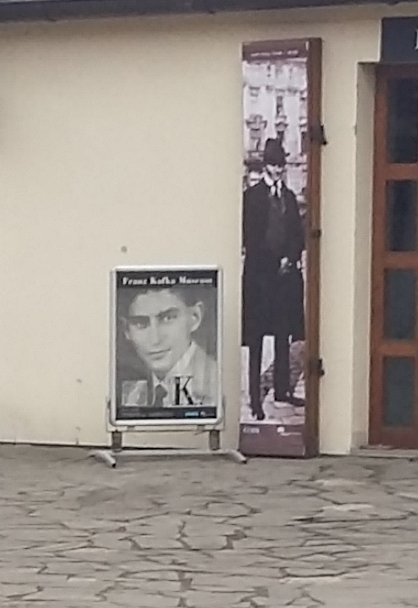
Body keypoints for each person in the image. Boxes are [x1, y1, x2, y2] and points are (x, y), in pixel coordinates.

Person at [239, 148, 309, 423]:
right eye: (274, 166)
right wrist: (271, 261)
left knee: (283, 335)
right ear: (266, 166)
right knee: (256, 340)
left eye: (281, 166)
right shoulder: (252, 197)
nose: (278, 170)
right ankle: (255, 399)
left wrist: (289, 258)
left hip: (283, 280)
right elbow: (251, 237)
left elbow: (297, 235)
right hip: (259, 279)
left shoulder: (288, 197)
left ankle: (282, 390)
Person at [118, 277, 217, 415]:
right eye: (140, 324)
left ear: (195, 317)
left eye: (168, 318)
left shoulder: (218, 383)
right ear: (126, 330)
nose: (155, 339)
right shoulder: (130, 392)